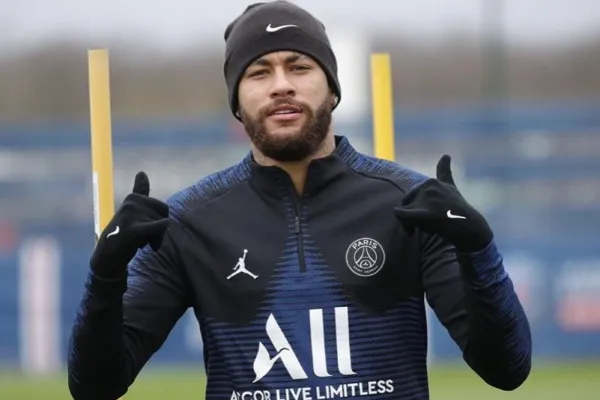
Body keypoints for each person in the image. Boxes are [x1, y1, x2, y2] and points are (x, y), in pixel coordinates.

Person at [67, 1, 532, 399]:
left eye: (300, 67)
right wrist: (105, 275)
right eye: (259, 72)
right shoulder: (189, 221)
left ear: (332, 88)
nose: (281, 85)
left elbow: (506, 369)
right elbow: (96, 387)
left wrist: (478, 251)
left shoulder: (410, 203)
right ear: (236, 102)